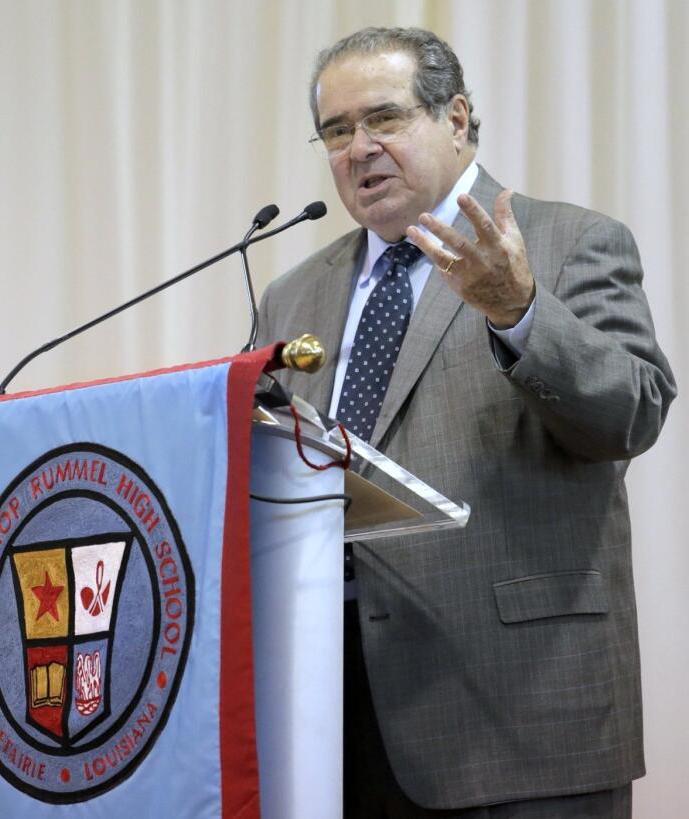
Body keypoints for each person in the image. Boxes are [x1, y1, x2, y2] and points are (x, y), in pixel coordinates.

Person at [257, 27, 676, 818]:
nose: (360, 149)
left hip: (519, 705)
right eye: (338, 130)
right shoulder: (293, 295)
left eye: (384, 118)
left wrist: (520, 312)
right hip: (329, 721)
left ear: (456, 119)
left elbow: (633, 411)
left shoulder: (569, 241)